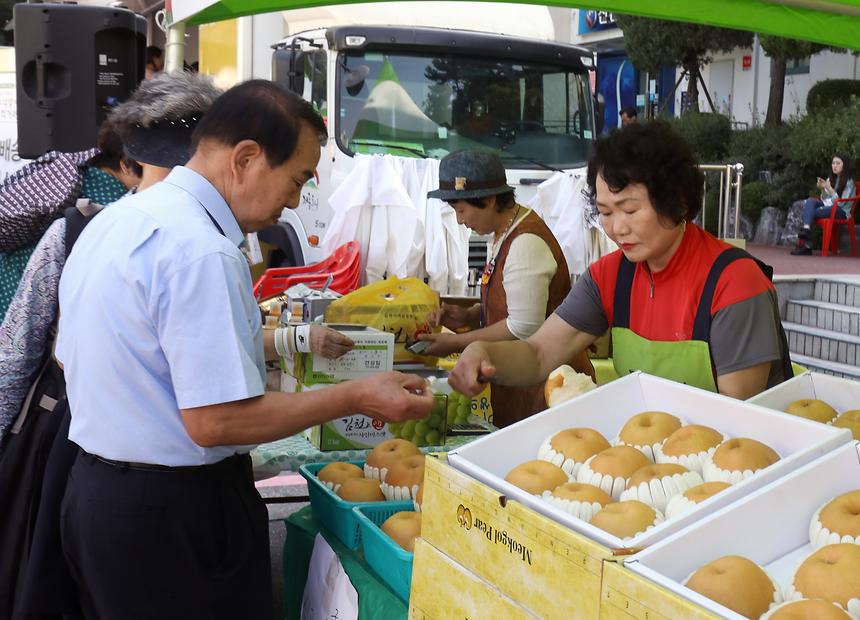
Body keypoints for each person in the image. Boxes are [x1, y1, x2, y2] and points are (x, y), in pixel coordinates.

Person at [54, 80, 433, 618]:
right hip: (173, 515)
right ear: (247, 158)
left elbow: (69, 356)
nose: (295, 201)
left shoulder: (116, 219)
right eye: (297, 179)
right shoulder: (202, 250)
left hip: (96, 495)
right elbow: (217, 421)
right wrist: (358, 395)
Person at [449, 122, 792, 404]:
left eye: (629, 210)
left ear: (677, 200)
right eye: (605, 212)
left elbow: (738, 416)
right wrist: (484, 353)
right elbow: (539, 353)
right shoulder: (609, 277)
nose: (617, 228)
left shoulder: (734, 283)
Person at [419, 150, 594, 427]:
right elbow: (514, 304)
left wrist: (455, 343)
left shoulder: (525, 243)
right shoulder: (505, 232)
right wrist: (469, 315)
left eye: (461, 210)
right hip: (520, 385)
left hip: (550, 387)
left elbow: (522, 327)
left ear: (489, 201)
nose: (460, 221)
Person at [791, 153, 855, 256]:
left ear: (844, 165)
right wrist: (822, 188)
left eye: (838, 163)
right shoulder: (831, 179)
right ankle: (806, 229)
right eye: (833, 163)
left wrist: (829, 188)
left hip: (841, 211)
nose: (834, 166)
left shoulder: (849, 182)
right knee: (810, 201)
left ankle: (807, 247)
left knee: (810, 212)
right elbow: (825, 198)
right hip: (828, 206)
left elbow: (841, 203)